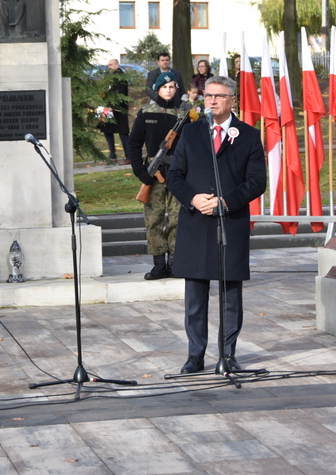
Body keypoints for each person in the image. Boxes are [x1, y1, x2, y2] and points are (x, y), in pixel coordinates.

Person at [167, 75, 266, 374]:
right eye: (208, 95)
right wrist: (193, 199)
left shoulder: (247, 135)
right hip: (196, 222)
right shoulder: (191, 133)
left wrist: (226, 202)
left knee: (229, 295)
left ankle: (228, 354)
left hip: (229, 223)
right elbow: (175, 176)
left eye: (219, 96)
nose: (212, 101)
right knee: (195, 295)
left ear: (232, 100)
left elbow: (257, 182)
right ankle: (195, 355)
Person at [129, 73, 187, 280]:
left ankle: (174, 263)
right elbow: (134, 144)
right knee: (153, 220)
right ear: (158, 89)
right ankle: (159, 265)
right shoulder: (146, 112)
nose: (169, 90)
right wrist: (141, 172)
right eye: (165, 87)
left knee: (176, 219)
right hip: (153, 176)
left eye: (173, 86)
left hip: (178, 175)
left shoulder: (183, 115)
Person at [100, 59, 130, 164]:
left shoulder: (120, 76)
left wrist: (112, 106)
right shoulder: (110, 76)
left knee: (123, 132)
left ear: (117, 65)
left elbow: (120, 93)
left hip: (118, 109)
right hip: (109, 108)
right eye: (108, 65)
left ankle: (129, 156)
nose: (109, 67)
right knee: (107, 130)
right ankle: (112, 155)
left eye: (111, 64)